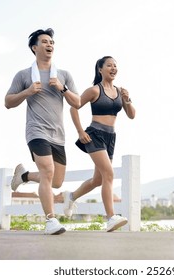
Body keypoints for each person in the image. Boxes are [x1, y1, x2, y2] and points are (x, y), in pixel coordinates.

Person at [4, 28, 80, 235]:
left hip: (58, 134)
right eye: (45, 42)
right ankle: (50, 221)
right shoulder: (24, 75)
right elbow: (8, 102)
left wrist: (62, 89)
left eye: (52, 42)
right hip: (36, 131)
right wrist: (27, 92)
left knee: (56, 181)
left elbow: (78, 102)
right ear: (34, 47)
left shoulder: (63, 75)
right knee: (47, 172)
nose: (50, 45)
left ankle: (25, 175)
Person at [63, 56, 136, 232]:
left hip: (111, 137)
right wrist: (80, 132)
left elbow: (132, 115)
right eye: (109, 65)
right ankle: (111, 217)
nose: (113, 68)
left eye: (115, 65)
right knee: (109, 174)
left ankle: (71, 197)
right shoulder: (95, 90)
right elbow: (74, 107)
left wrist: (127, 99)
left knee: (98, 179)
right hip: (94, 134)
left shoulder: (120, 91)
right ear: (100, 69)